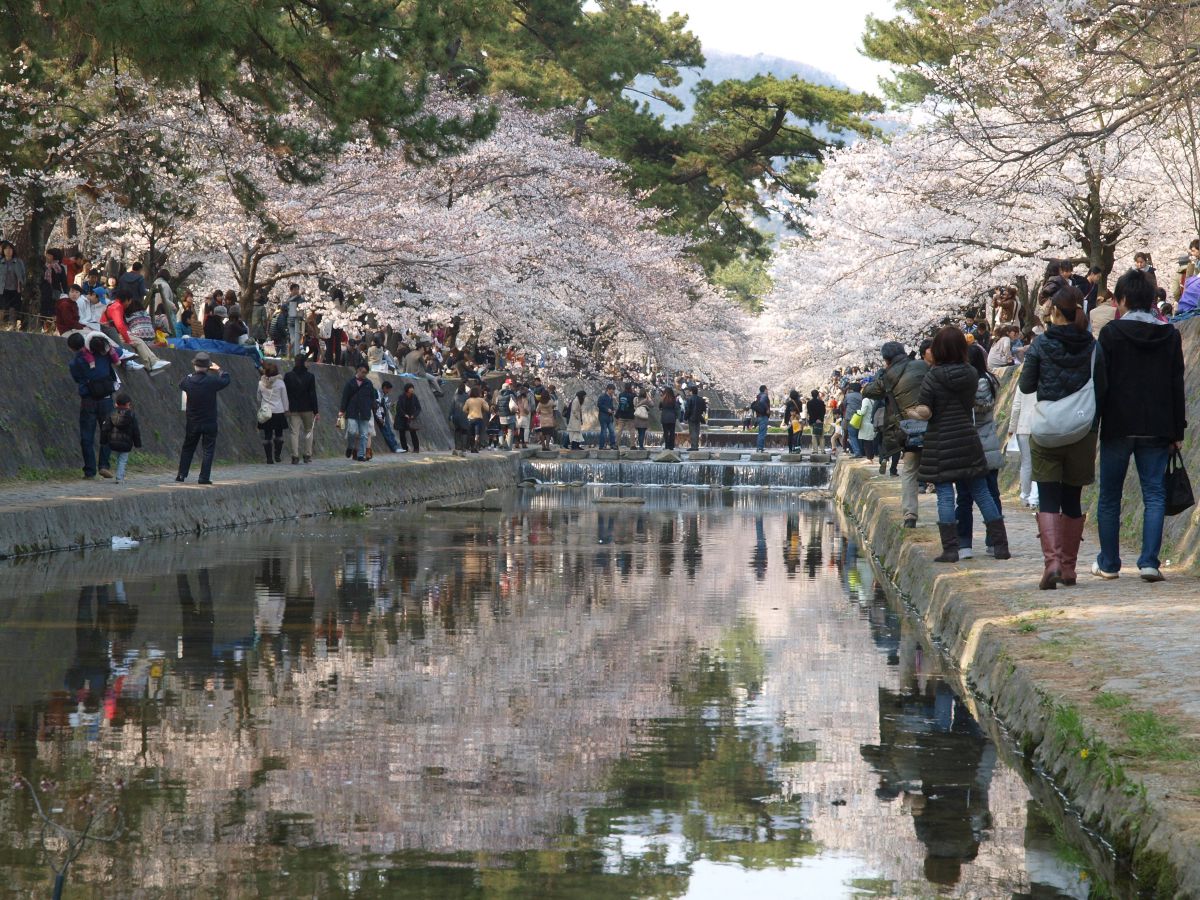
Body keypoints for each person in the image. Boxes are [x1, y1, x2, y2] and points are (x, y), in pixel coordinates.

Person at [1093, 268, 1186, 582]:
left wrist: (1096, 423)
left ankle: (1108, 563)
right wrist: (1178, 431)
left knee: (1109, 497)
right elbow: (1176, 384)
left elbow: (1100, 384)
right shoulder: (1169, 334)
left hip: (1118, 425)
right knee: (1155, 495)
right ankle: (1149, 562)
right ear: (1150, 300)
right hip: (1157, 426)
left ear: (1122, 300)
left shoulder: (1110, 334)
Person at [1019, 278, 1106, 589]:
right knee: (1072, 496)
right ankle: (1069, 568)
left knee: (1049, 497)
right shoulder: (1093, 346)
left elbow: (1026, 385)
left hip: (1046, 430)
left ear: (1054, 310)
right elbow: (1103, 389)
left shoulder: (1041, 344)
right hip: (1082, 431)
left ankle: (1052, 563)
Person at [914, 327, 1010, 562]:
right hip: (968, 438)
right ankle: (1000, 545)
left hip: (941, 440)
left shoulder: (933, 376)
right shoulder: (969, 373)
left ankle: (950, 549)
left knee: (946, 495)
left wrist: (914, 413)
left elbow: (926, 410)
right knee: (982, 492)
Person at [864, 342, 929, 528]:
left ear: (886, 360)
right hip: (932, 424)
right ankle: (948, 516)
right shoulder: (922, 365)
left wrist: (880, 375)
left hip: (909, 429)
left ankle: (910, 515)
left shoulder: (887, 377)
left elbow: (867, 391)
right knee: (940, 471)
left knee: (909, 471)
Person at [956, 344, 1002, 559]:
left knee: (965, 496)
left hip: (972, 446)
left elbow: (979, 407)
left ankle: (965, 543)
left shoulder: (976, 384)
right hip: (989, 443)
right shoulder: (990, 380)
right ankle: (993, 542)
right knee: (991, 494)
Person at [68, 332, 120, 479]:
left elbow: (78, 379)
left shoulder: (75, 363)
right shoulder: (104, 355)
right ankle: (104, 465)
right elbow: (118, 355)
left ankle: (90, 471)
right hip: (106, 400)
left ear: (71, 348)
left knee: (87, 436)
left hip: (88, 401)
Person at [176, 352, 230, 484]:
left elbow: (180, 383)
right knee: (208, 450)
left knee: (188, 447)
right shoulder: (212, 381)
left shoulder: (188, 380)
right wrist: (219, 369)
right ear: (208, 367)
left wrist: (191, 375)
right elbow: (226, 380)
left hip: (192, 421)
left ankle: (181, 474)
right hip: (209, 421)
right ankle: (204, 477)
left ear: (194, 365)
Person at [100, 291, 170, 372]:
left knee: (138, 340)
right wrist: (128, 340)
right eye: (130, 301)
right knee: (138, 341)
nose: (130, 304)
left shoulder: (115, 305)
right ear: (127, 300)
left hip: (111, 332)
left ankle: (153, 362)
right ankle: (152, 363)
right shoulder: (117, 307)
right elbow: (120, 326)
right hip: (110, 333)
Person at [283, 354, 318, 463]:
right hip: (307, 408)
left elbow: (285, 393)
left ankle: (295, 456)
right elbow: (313, 394)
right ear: (304, 362)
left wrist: (286, 407)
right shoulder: (310, 376)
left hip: (293, 408)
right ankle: (307, 455)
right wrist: (316, 411)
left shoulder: (288, 376)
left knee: (294, 432)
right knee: (308, 431)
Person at [99, 392, 142, 483]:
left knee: (119, 458)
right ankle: (119, 477)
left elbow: (105, 428)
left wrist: (103, 441)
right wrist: (137, 443)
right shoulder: (131, 416)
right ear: (128, 404)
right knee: (122, 460)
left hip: (113, 442)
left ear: (116, 404)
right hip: (126, 443)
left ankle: (118, 473)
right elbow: (135, 431)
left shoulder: (112, 415)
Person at [339, 364, 377, 461]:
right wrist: (342, 411)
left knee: (364, 434)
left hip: (365, 412)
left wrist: (372, 407)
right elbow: (345, 398)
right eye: (363, 372)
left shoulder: (368, 383)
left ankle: (361, 455)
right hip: (352, 411)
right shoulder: (350, 383)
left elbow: (372, 398)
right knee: (352, 431)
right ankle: (350, 447)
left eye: (366, 373)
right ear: (358, 371)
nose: (364, 374)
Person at [256, 361, 289, 463]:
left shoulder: (261, 383)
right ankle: (277, 455)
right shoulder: (280, 383)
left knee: (267, 435)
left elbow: (258, 398)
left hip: (266, 412)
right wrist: (286, 409)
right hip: (278, 411)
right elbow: (284, 398)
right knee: (279, 435)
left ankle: (269, 458)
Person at [0, 240, 25, 327]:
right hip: (3, 290)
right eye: (6, 249)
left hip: (15, 289)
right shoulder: (1, 262)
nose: (8, 250)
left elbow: (23, 275)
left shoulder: (18, 262)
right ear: (3, 251)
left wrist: (23, 286)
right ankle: (2, 326)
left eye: (10, 248)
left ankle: (12, 327)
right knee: (3, 309)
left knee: (13, 309)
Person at [375, 381, 403, 453]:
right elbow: (377, 407)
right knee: (386, 431)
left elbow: (386, 406)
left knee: (390, 431)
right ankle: (394, 448)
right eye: (388, 389)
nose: (389, 391)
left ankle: (396, 446)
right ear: (384, 388)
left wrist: (390, 405)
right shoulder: (378, 394)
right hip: (380, 415)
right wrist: (380, 417)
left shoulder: (385, 395)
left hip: (385, 414)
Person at [396, 382, 422, 453]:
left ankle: (416, 449)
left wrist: (414, 415)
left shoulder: (414, 397)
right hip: (402, 417)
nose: (412, 389)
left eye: (412, 388)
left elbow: (418, 408)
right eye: (410, 388)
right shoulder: (401, 397)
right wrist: (404, 414)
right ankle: (405, 449)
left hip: (411, 418)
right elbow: (398, 408)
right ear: (407, 389)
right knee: (402, 433)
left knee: (413, 433)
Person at [463, 385, 490, 453]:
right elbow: (487, 408)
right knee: (477, 434)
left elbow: (464, 409)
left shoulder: (468, 400)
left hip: (470, 418)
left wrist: (468, 412)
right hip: (478, 418)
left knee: (471, 434)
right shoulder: (481, 400)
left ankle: (471, 447)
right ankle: (475, 447)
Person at [843, 381, 864, 457]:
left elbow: (844, 405)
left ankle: (857, 452)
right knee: (859, 435)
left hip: (850, 418)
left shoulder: (848, 396)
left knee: (852, 436)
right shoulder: (862, 396)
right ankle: (862, 451)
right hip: (860, 417)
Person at [684, 385, 706, 451]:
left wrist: (685, 417)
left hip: (691, 417)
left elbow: (688, 410)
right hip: (698, 417)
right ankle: (696, 445)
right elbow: (704, 409)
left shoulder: (689, 399)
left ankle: (694, 446)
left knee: (692, 432)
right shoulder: (701, 399)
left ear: (691, 392)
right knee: (697, 431)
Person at [616, 382, 636, 448]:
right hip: (630, 416)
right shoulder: (633, 395)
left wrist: (617, 415)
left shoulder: (621, 395)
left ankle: (616, 445)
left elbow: (620, 405)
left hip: (621, 415)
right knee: (632, 430)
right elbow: (635, 405)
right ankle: (632, 445)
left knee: (619, 431)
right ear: (630, 387)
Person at [750, 385, 770, 452]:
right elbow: (762, 402)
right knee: (762, 433)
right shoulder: (764, 396)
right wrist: (767, 409)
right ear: (765, 390)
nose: (767, 391)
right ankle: (760, 448)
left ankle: (759, 447)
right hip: (763, 416)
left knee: (760, 433)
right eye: (767, 389)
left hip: (758, 416)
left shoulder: (758, 396)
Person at [596, 384, 616, 450]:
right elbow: (599, 405)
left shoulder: (611, 397)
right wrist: (607, 409)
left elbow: (611, 406)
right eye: (612, 390)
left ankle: (612, 445)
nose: (613, 392)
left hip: (610, 417)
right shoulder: (602, 396)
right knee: (604, 431)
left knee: (612, 431)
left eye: (613, 390)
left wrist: (613, 410)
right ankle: (601, 446)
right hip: (603, 417)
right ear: (608, 389)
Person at [286, 283, 303, 356]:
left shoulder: (301, 298)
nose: (297, 291)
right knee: (294, 338)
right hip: (291, 322)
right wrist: (296, 296)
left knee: (298, 339)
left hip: (300, 321)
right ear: (291, 290)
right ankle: (290, 353)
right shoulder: (289, 298)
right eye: (295, 289)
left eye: (297, 289)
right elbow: (287, 303)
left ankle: (294, 354)